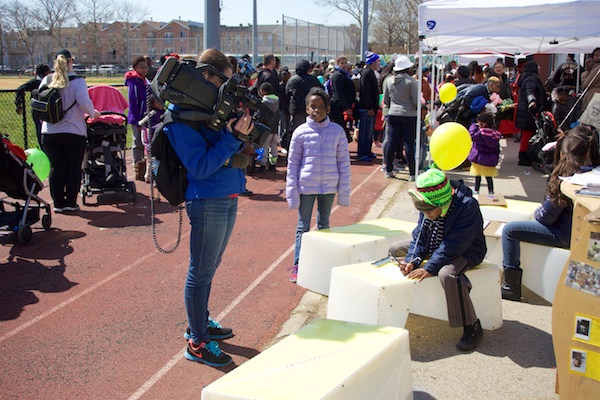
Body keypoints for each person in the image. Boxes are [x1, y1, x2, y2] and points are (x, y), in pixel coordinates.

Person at [164, 48, 255, 367]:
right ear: (206, 76)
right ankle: (196, 341)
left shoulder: (208, 109)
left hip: (227, 195)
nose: (226, 90)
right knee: (200, 271)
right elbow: (200, 167)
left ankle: (199, 322)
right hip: (207, 199)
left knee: (209, 267)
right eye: (224, 82)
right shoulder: (179, 115)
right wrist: (232, 137)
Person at [388, 168, 487, 351]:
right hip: (439, 247)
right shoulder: (427, 204)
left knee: (447, 274)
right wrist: (413, 260)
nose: (426, 215)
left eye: (430, 212)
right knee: (395, 250)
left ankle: (472, 325)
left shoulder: (467, 206)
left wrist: (430, 267)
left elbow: (454, 244)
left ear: (441, 202)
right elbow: (420, 235)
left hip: (467, 250)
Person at [501, 127, 599, 301]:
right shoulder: (593, 172)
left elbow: (546, 217)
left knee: (510, 230)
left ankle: (510, 286)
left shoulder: (567, 175)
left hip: (565, 234)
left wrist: (538, 211)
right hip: (588, 238)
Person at [286, 87, 351, 283]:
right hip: (306, 187)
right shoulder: (300, 132)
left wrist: (344, 191)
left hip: (329, 187)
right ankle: (299, 264)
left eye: (321, 107)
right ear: (307, 109)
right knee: (302, 227)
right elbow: (293, 164)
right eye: (313, 107)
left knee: (324, 225)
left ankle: (322, 263)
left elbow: (344, 163)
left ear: (328, 109)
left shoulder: (337, 132)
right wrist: (292, 191)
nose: (317, 111)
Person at [41, 49, 101, 213]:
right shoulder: (78, 81)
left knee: (57, 167)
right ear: (71, 61)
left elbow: (38, 103)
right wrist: (94, 113)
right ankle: (70, 202)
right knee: (73, 167)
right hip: (73, 130)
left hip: (50, 131)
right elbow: (84, 103)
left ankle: (58, 203)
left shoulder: (47, 79)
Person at [382, 55, 419, 180]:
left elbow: (386, 100)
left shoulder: (388, 81)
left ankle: (388, 170)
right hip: (409, 115)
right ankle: (413, 173)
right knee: (408, 144)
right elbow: (416, 101)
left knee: (392, 142)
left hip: (393, 114)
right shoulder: (411, 81)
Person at [515, 61, 546, 166]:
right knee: (527, 134)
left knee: (527, 134)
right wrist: (532, 101)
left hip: (525, 111)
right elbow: (530, 91)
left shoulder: (526, 77)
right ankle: (524, 157)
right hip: (529, 112)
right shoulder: (531, 79)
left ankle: (525, 155)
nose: (539, 67)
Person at [15, 63, 51, 152]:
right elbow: (20, 89)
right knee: (41, 132)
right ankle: (45, 152)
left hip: (48, 111)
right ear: (46, 72)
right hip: (39, 111)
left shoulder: (49, 82)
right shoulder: (36, 82)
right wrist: (18, 103)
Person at [124, 55, 149, 180]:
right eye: (141, 67)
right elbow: (133, 102)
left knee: (147, 143)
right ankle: (137, 167)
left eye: (145, 67)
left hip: (148, 117)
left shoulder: (145, 81)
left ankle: (145, 167)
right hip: (137, 117)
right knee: (137, 142)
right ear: (135, 68)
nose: (144, 70)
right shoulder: (134, 82)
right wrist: (137, 120)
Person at [285, 59, 322, 137]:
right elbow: (320, 92)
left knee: (297, 131)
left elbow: (287, 96)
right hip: (312, 108)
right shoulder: (313, 79)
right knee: (312, 130)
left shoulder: (292, 80)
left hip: (297, 109)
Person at [356, 51, 381, 161]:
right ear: (372, 62)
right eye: (377, 61)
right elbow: (365, 92)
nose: (379, 64)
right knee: (364, 132)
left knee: (369, 132)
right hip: (366, 109)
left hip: (370, 108)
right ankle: (362, 153)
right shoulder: (366, 73)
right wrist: (370, 107)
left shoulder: (371, 73)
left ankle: (367, 151)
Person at [468, 113, 501, 194]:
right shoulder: (495, 134)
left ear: (484, 123)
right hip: (490, 160)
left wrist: (473, 126)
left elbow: (471, 136)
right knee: (489, 177)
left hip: (479, 158)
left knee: (477, 176)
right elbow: (497, 148)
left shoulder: (479, 133)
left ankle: (476, 190)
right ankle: (491, 191)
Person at [329, 56, 356, 142]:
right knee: (340, 128)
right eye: (342, 63)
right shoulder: (337, 75)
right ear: (337, 64)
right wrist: (346, 108)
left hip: (343, 105)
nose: (344, 65)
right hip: (338, 106)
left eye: (345, 63)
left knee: (342, 127)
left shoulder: (345, 75)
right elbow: (339, 93)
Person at [257, 82, 280, 172]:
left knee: (263, 147)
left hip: (265, 128)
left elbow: (260, 117)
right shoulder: (277, 102)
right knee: (274, 147)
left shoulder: (263, 103)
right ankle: (273, 164)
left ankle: (262, 165)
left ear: (263, 91)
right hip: (275, 129)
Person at [581, 48, 600, 114]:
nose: (594, 57)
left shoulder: (597, 69)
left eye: (597, 56)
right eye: (594, 55)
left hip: (593, 100)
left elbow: (585, 85)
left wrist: (587, 70)